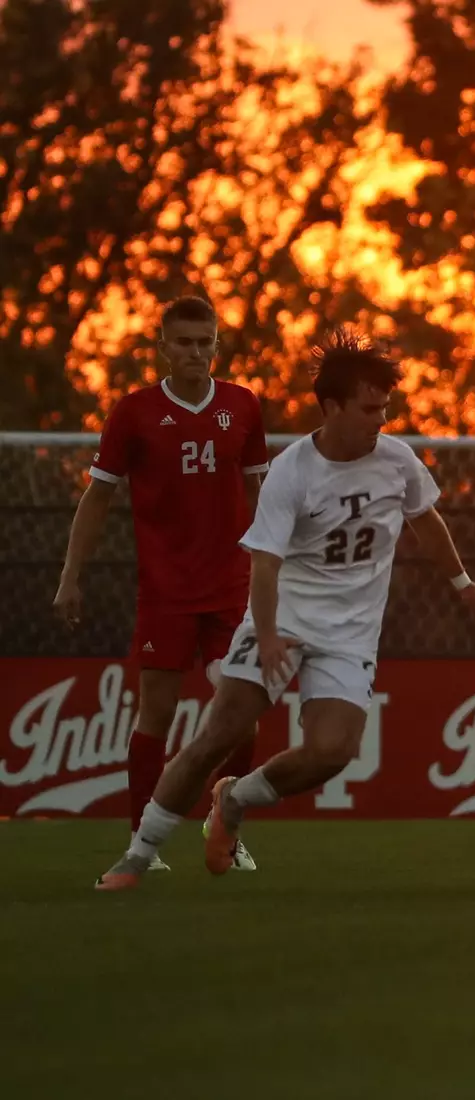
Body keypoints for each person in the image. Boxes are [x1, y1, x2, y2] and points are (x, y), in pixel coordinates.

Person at [95, 331, 475, 890]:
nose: (380, 419)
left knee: (333, 752)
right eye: (368, 408)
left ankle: (232, 799)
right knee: (217, 735)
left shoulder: (398, 460)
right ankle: (137, 858)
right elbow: (263, 566)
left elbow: (425, 520)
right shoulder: (293, 470)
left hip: (351, 636)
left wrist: (463, 583)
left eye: (384, 407)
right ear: (331, 407)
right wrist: (265, 637)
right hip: (282, 622)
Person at [54, 295, 266, 872]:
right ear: (163, 348)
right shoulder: (134, 413)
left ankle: (225, 828)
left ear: (217, 346)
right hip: (167, 591)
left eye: (206, 342)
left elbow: (264, 497)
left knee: (242, 717)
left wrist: (283, 570)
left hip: (231, 587)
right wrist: (71, 576)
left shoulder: (243, 406)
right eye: (185, 343)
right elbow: (98, 497)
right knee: (157, 715)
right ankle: (140, 843)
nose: (196, 353)